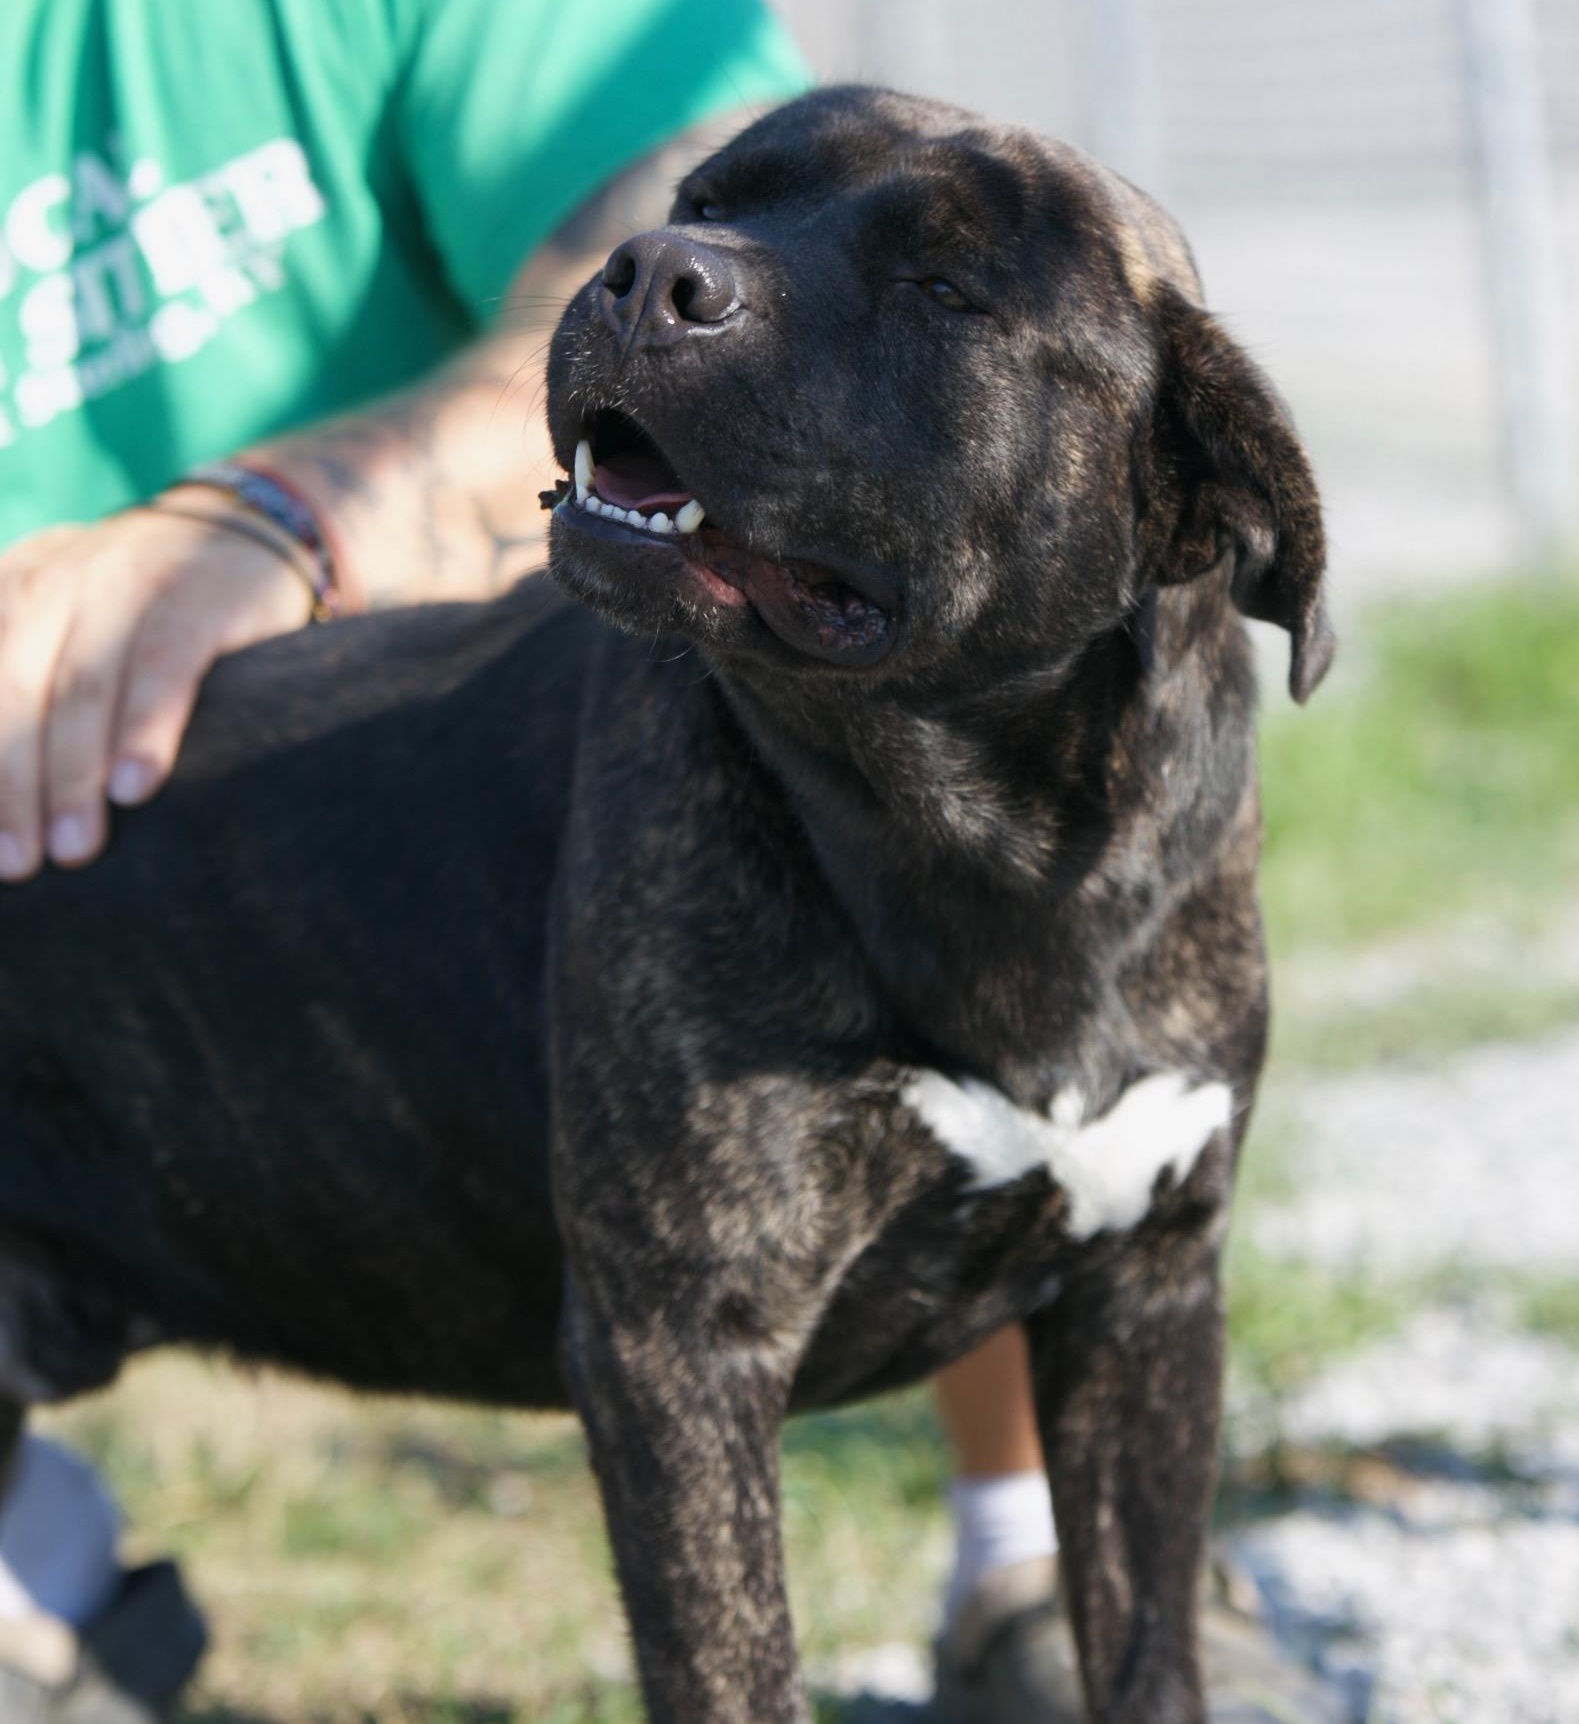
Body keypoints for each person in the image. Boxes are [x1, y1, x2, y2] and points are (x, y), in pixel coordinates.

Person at [0, 6, 1339, 1722]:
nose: (678, 270)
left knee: (1136, 1252)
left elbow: (1155, 1282)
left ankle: (1042, 1592)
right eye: (716, 212)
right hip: (165, 974)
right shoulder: (688, 735)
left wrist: (279, 518)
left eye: (937, 292)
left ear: (1196, 501)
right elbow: (680, 1352)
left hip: (275, 651)